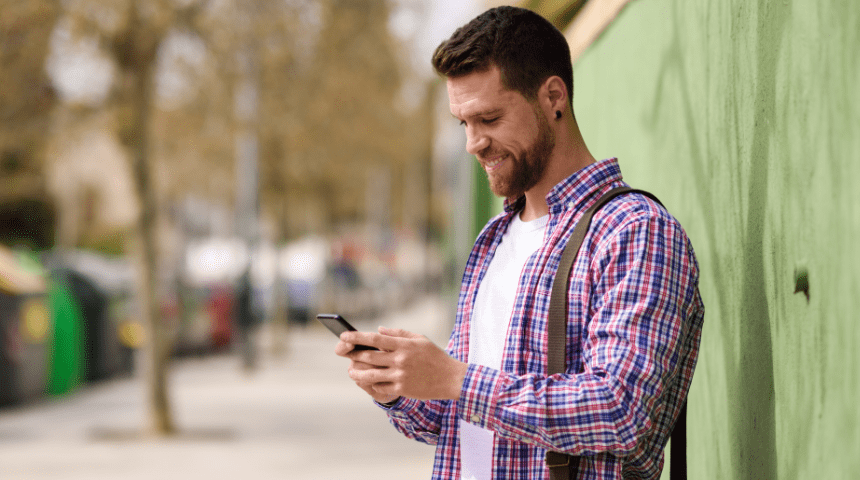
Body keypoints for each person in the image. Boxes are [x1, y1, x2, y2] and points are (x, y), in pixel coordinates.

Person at [335, 6, 704, 479]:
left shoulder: (634, 231)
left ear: (553, 97)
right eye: (463, 123)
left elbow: (622, 410)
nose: (473, 142)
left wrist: (455, 379)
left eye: (488, 118)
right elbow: (461, 420)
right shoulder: (495, 239)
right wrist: (401, 386)